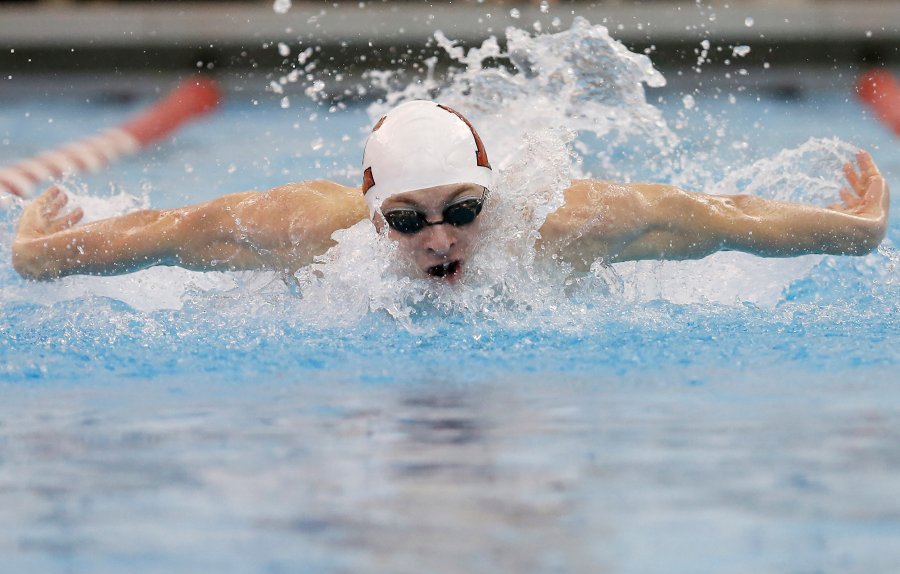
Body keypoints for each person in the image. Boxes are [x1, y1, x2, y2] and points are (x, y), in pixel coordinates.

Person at [10, 100, 891, 283]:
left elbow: (724, 220)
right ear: (367, 204)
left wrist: (850, 230)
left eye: (462, 212)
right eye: (405, 220)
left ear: (490, 193)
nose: (440, 241)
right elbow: (162, 233)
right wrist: (37, 252)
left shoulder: (569, 221)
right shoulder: (302, 229)